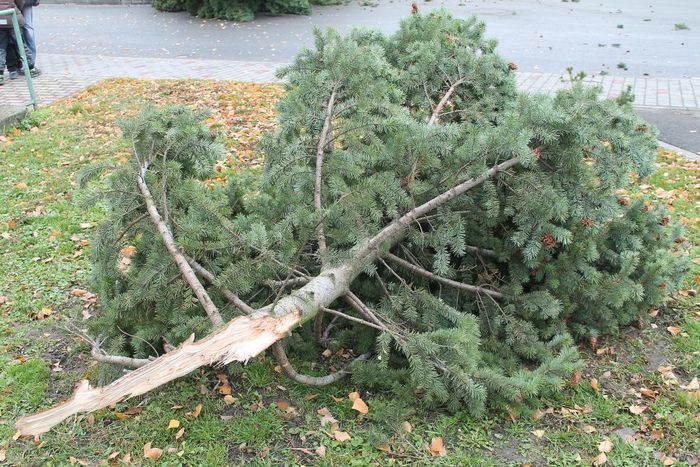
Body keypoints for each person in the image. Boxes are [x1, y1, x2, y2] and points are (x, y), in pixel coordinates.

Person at [0, 0, 24, 85]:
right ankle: (30, 68)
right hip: (12, 17)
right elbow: (20, 2)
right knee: (20, 45)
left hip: (0, 18)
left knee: (1, 47)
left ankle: (1, 73)